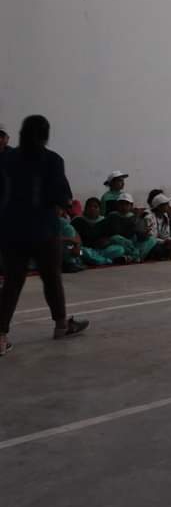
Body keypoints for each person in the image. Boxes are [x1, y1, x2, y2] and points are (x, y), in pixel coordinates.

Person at [0, 115, 90, 356]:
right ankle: (61, 325)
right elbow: (62, 196)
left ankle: (1, 335)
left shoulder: (6, 159)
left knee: (12, 282)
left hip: (11, 229)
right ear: (45, 135)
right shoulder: (52, 160)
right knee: (51, 278)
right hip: (44, 229)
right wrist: (64, 203)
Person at [72, 197, 131, 264]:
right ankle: (110, 261)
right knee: (82, 252)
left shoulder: (105, 221)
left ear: (100, 210)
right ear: (85, 208)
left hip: (101, 250)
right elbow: (71, 239)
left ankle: (95, 259)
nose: (92, 209)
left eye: (95, 207)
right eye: (90, 206)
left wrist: (107, 242)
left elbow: (110, 237)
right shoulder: (77, 221)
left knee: (120, 249)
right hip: (84, 249)